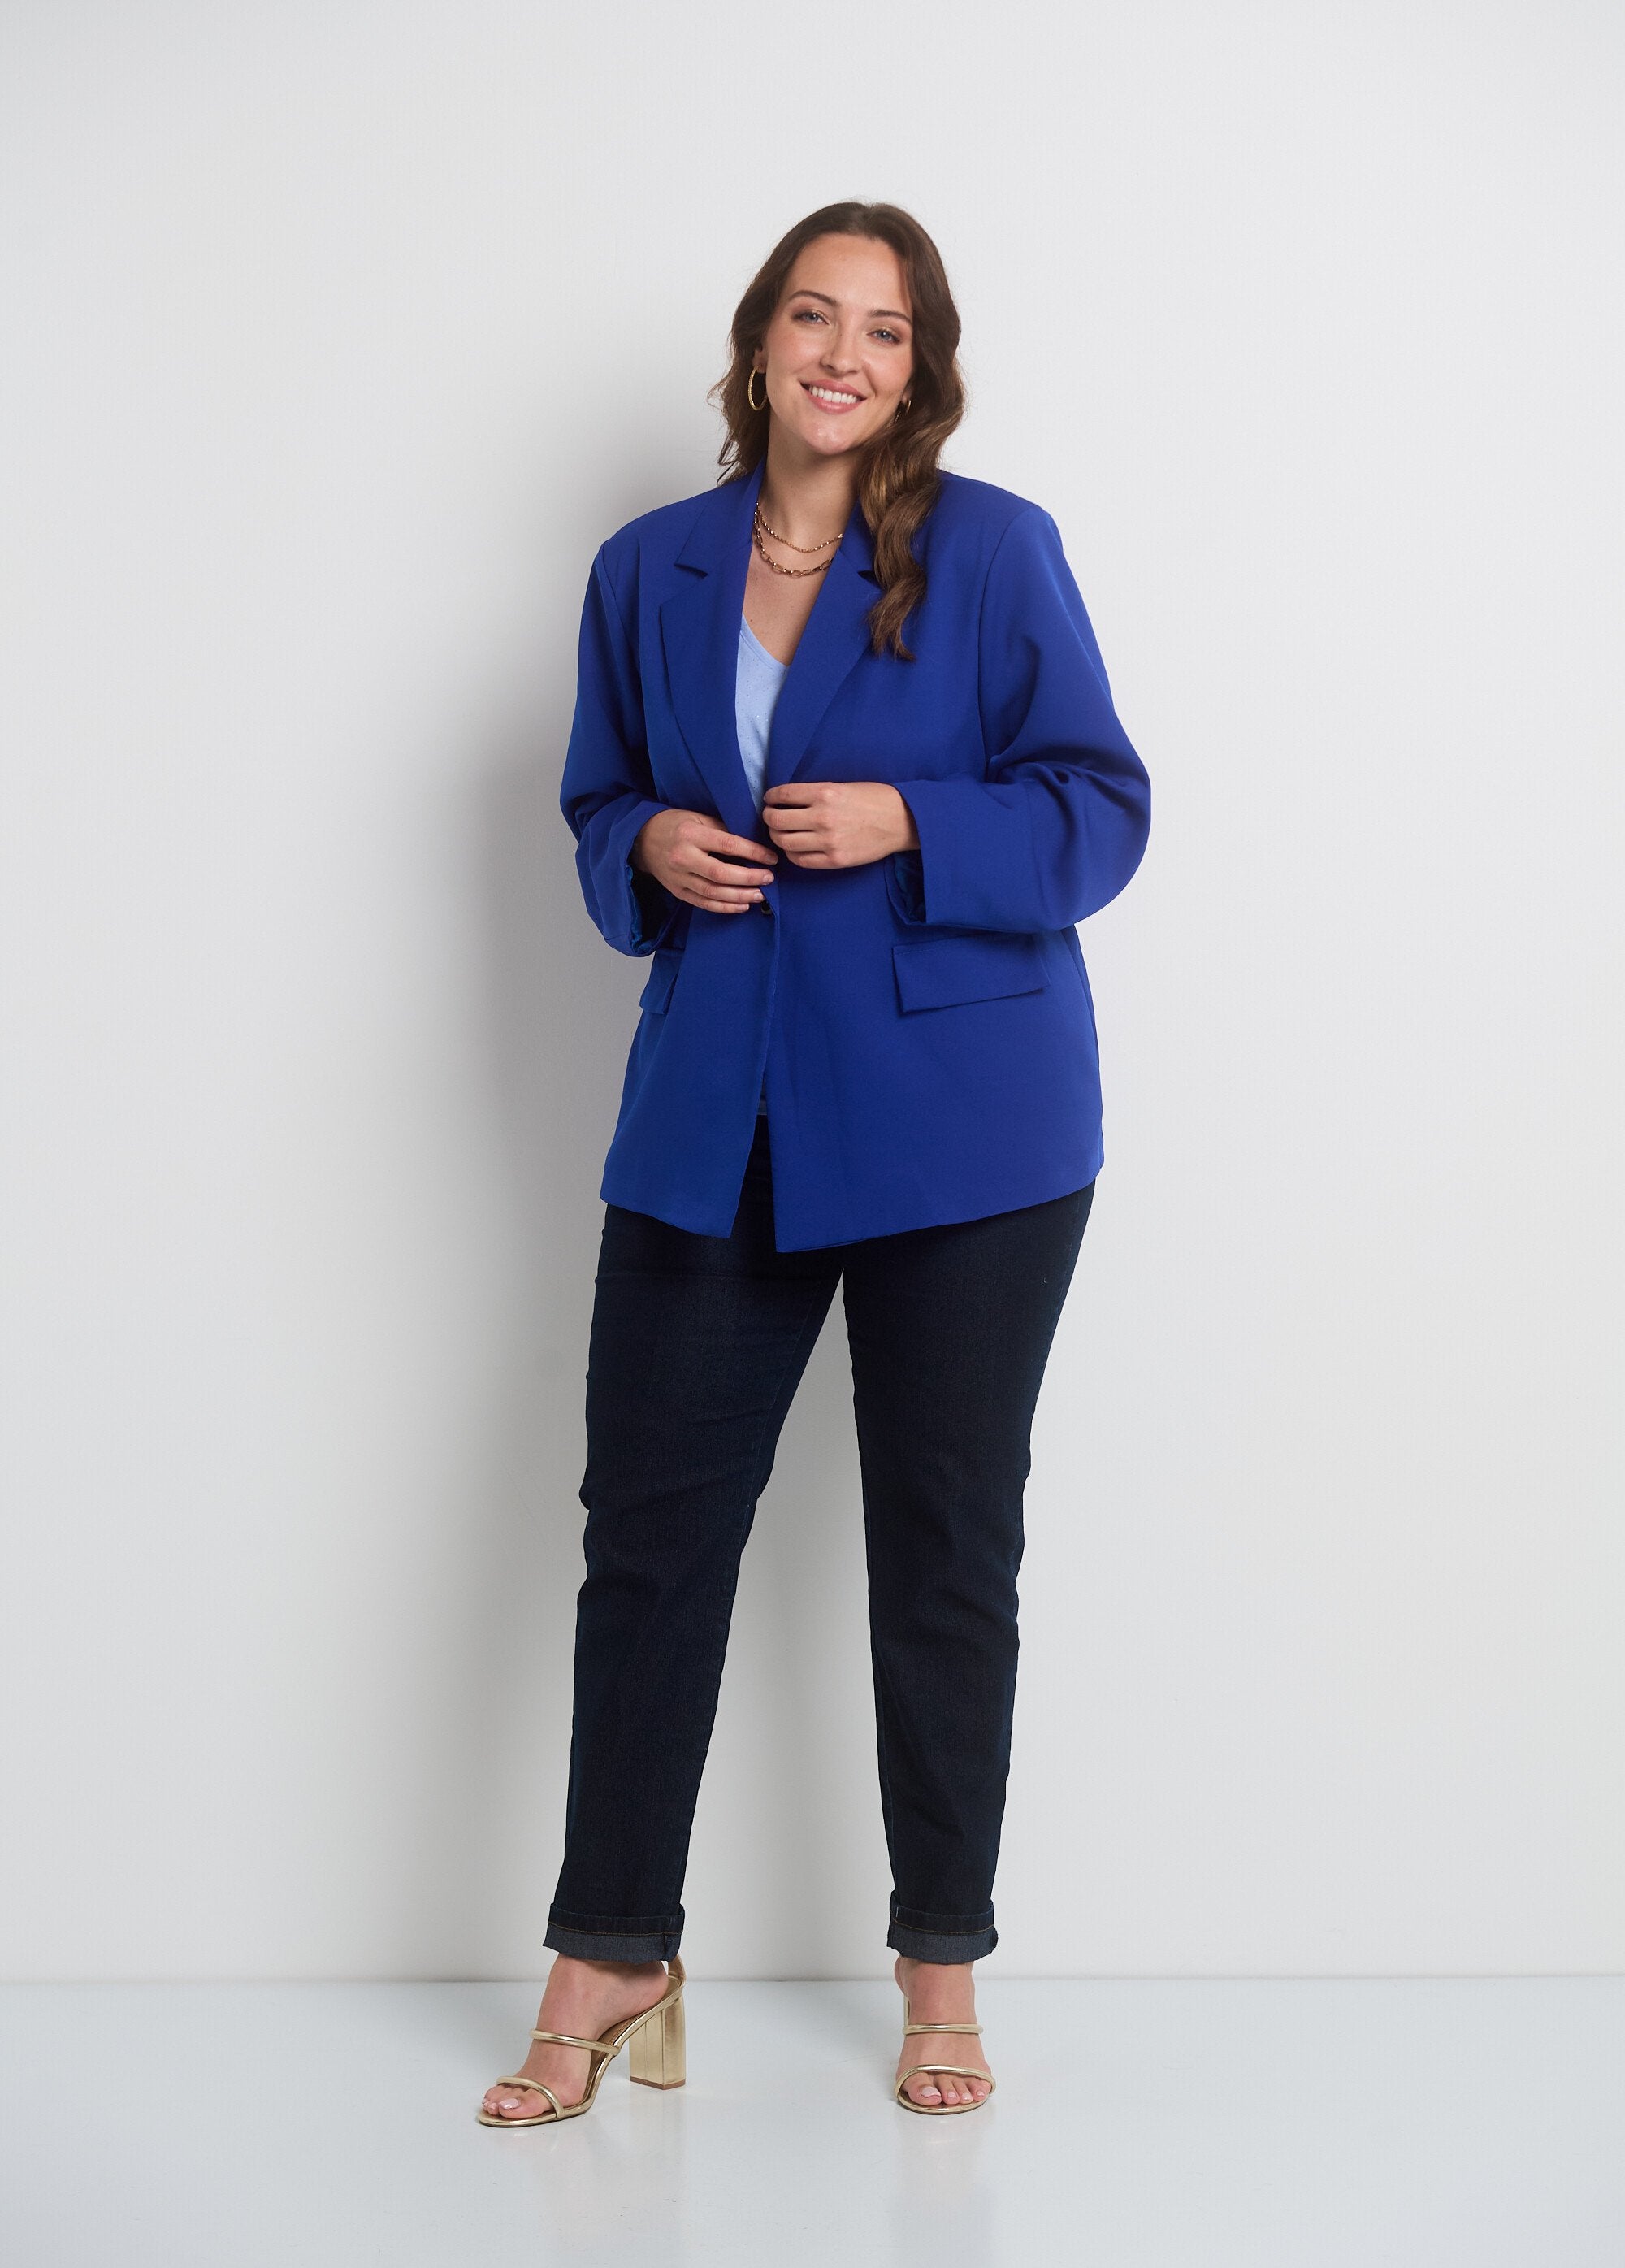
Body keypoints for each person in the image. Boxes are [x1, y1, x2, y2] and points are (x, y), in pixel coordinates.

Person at [479, 200, 1151, 2127]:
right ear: (761, 342)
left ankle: (940, 1958)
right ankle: (612, 1949)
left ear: (918, 364)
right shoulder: (648, 566)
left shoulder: (993, 549)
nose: (843, 353)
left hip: (967, 1126)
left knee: (944, 1550)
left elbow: (1101, 808)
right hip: (719, 1112)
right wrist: (642, 849)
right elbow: (599, 795)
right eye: (812, 314)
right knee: (649, 1540)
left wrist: (911, 820)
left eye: (883, 326)